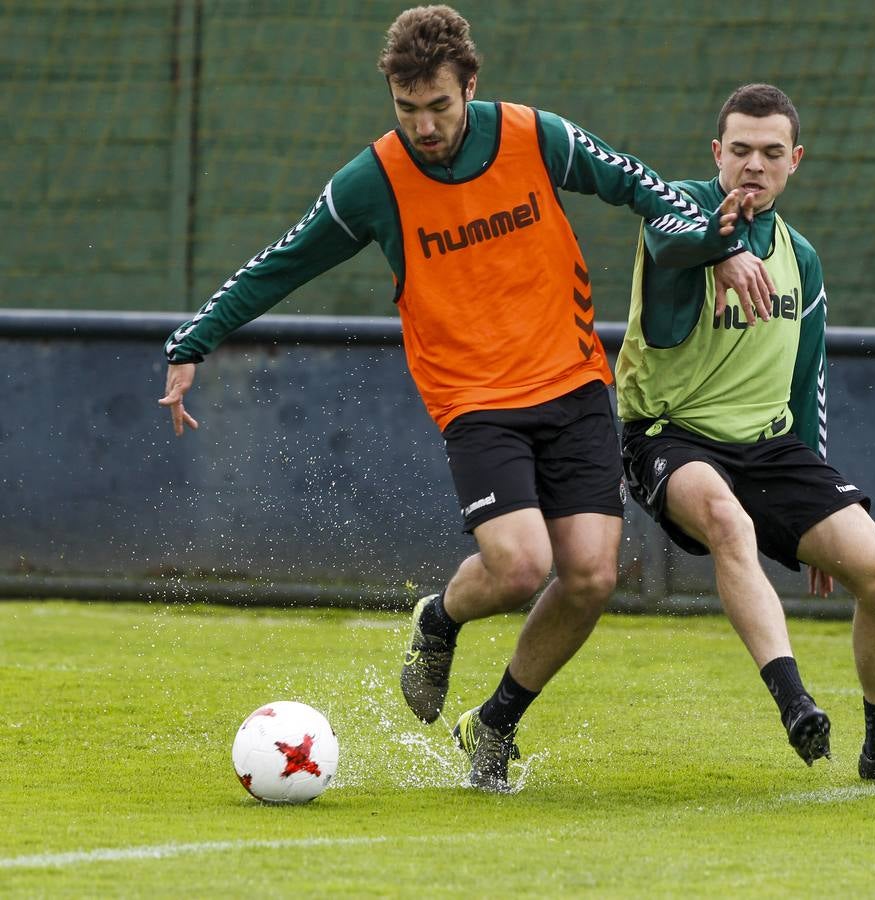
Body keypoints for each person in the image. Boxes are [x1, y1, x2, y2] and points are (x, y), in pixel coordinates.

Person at [159, 6, 765, 792]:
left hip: (575, 384)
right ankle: (438, 620)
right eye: (407, 110)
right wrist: (194, 341)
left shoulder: (534, 135)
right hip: (475, 399)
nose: (424, 126)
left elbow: (641, 187)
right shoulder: (372, 182)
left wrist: (717, 245)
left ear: (470, 87)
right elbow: (285, 261)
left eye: (439, 107)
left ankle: (494, 724)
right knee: (518, 568)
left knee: (589, 577)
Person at [616, 83, 875, 786]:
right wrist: (720, 245)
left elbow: (808, 382)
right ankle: (795, 702)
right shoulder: (680, 206)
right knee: (728, 525)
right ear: (717, 154)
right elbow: (670, 247)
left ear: (795, 161)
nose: (753, 166)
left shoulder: (802, 256)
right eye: (739, 150)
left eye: (771, 153)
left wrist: (820, 501)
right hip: (669, 435)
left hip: (769, 449)